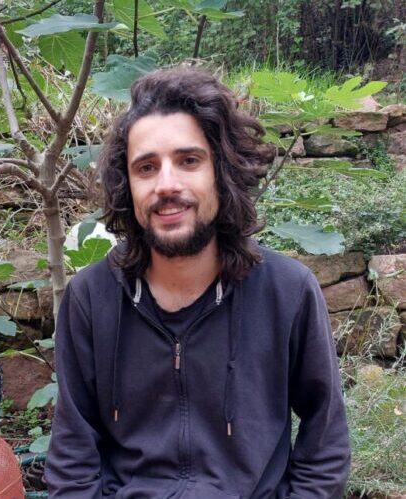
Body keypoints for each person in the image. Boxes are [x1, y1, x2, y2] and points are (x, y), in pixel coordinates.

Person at [45, 67, 351, 498]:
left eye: (189, 161)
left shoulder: (287, 291)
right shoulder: (92, 298)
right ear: (126, 186)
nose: (166, 185)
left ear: (221, 171)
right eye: (146, 167)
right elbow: (72, 456)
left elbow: (325, 445)